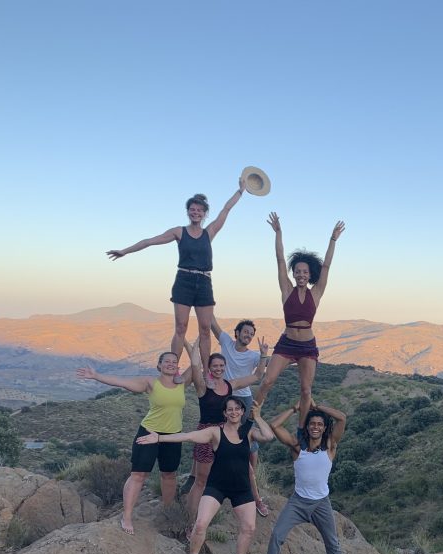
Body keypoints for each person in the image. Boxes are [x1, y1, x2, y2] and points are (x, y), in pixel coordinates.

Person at [106, 178, 247, 372]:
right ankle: (173, 368)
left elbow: (226, 209)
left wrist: (241, 191)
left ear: (204, 213)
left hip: (204, 282)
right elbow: (149, 241)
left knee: (205, 329)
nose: (195, 212)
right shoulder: (179, 232)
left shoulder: (210, 232)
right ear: (188, 211)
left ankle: (207, 373)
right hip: (184, 281)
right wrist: (125, 251)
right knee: (181, 327)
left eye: (199, 210)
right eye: (192, 209)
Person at [137, 397, 273, 554]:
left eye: (237, 409)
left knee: (249, 528)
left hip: (241, 489)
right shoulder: (215, 432)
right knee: (200, 524)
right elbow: (188, 436)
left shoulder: (249, 432)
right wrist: (159, 438)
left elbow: (269, 436)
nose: (233, 412)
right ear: (224, 413)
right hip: (216, 485)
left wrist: (257, 416)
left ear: (242, 411)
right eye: (229, 409)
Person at [249, 400, 352, 554]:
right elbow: (275, 426)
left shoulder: (331, 446)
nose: (315, 427)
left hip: (321, 503)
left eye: (319, 424)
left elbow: (342, 417)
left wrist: (317, 407)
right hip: (298, 502)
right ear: (307, 426)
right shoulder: (297, 448)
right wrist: (295, 409)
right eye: (312, 424)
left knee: (332, 544)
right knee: (277, 535)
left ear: (325, 428)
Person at [75, 352, 187, 534]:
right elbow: (123, 382)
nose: (171, 364)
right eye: (166, 361)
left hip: (172, 436)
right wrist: (96, 376)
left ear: (178, 366)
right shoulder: (150, 382)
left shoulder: (182, 383)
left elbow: (198, 364)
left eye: (174, 362)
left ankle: (167, 511)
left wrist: (195, 344)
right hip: (149, 433)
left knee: (169, 474)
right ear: (159, 366)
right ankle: (127, 516)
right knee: (138, 475)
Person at [253, 213, 345, 425]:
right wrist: (278, 233)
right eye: (297, 271)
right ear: (293, 273)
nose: (301, 274)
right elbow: (279, 259)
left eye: (305, 272)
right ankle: (252, 415)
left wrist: (332, 240)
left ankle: (303, 427)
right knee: (268, 380)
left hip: (307, 346)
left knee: (306, 390)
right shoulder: (286, 289)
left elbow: (326, 267)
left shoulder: (316, 292)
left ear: (309, 273)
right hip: (287, 343)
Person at [183, 339, 262, 525]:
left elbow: (258, 375)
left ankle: (256, 500)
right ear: (209, 368)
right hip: (207, 434)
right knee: (201, 481)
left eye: (221, 365)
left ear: (225, 367)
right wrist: (193, 350)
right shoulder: (203, 386)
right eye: (214, 366)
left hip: (228, 434)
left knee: (247, 470)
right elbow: (195, 367)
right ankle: (189, 523)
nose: (218, 368)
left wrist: (264, 354)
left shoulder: (230, 385)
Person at [211, 315, 272, 517]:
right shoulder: (227, 341)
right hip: (224, 395)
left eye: (251, 334)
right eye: (246, 332)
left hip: (243, 399)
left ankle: (250, 480)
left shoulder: (254, 356)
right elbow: (212, 323)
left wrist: (263, 354)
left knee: (247, 440)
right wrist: (203, 295)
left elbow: (260, 374)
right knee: (221, 437)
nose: (248, 336)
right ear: (237, 333)